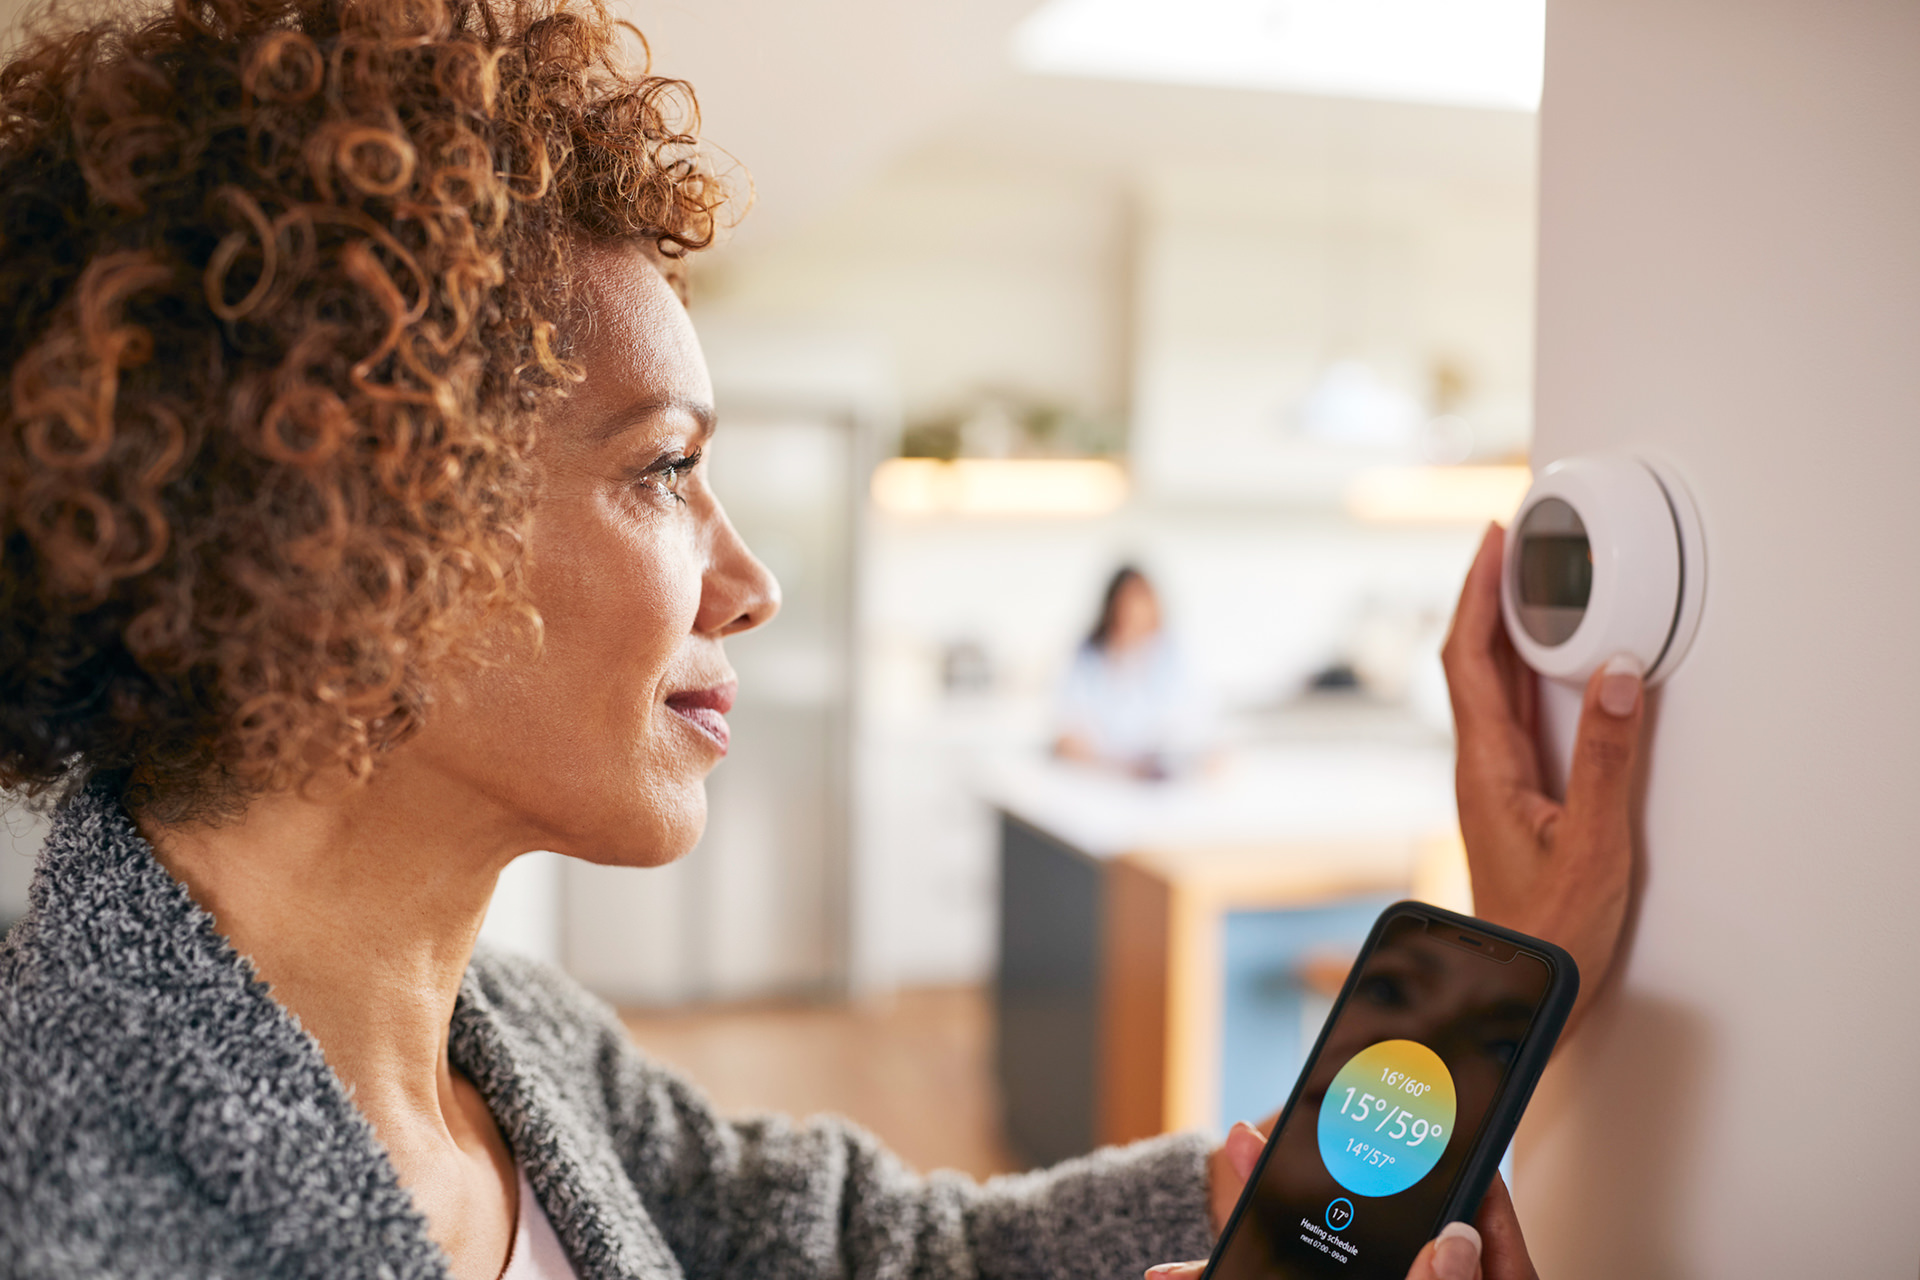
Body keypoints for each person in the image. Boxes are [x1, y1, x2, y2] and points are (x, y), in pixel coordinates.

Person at [0, 1, 1648, 1277]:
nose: (750, 581)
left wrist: (1463, 1015)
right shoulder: (57, 1194)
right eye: (663, 471)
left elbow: (916, 1259)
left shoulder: (517, 1052)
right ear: (348, 526)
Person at [1053, 566, 1210, 779]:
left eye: (1139, 608)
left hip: (1158, 781)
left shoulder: (1172, 654)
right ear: (1111, 611)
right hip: (1100, 778)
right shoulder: (1088, 655)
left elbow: (1191, 725)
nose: (1131, 618)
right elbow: (1068, 734)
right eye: (1124, 609)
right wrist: (1118, 765)